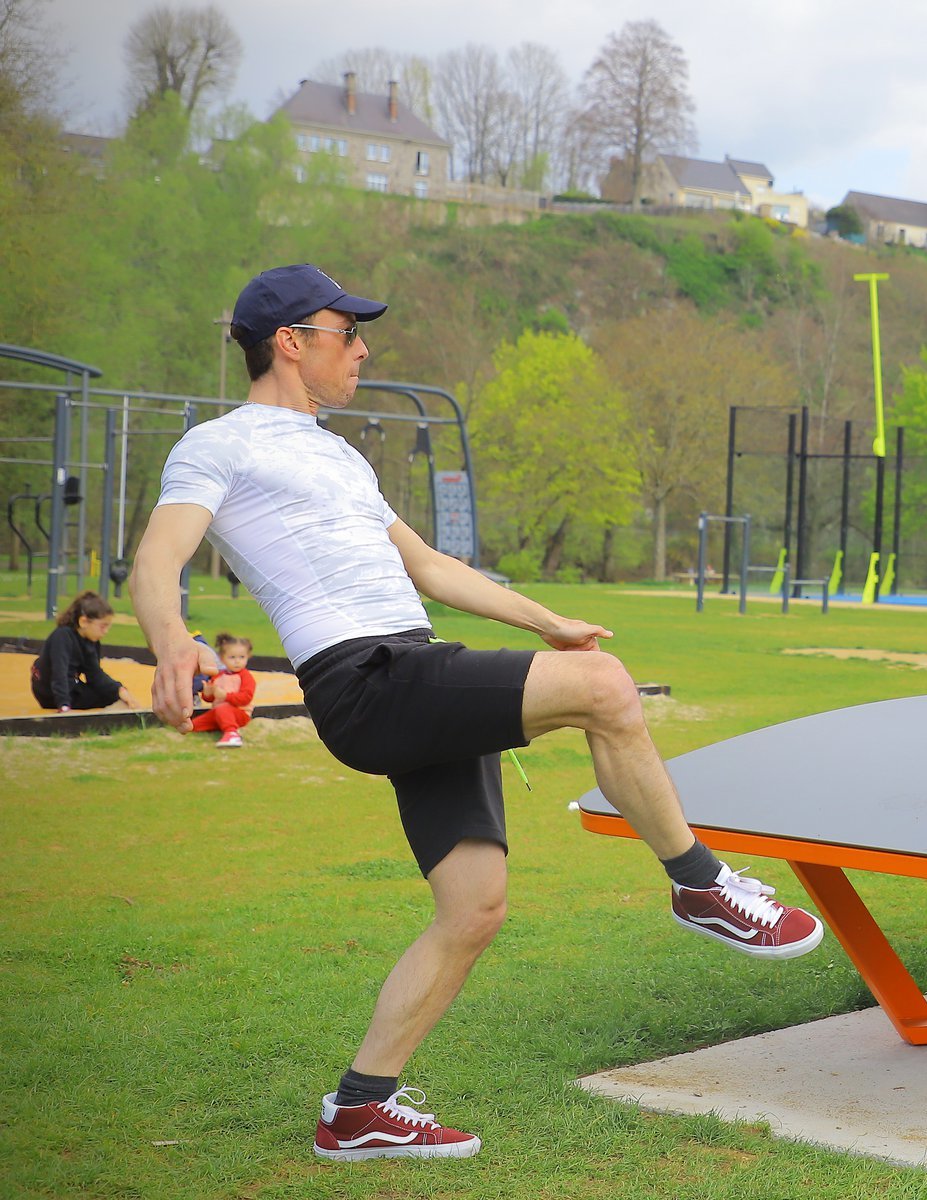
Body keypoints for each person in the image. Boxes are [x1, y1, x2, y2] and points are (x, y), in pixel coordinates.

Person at [130, 264, 822, 1163]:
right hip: (366, 678)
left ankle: (359, 1111)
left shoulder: (341, 457)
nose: (364, 350)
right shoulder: (218, 445)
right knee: (607, 689)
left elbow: (428, 567)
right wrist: (173, 640)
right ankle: (702, 887)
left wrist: (547, 622)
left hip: (415, 671)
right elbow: (158, 557)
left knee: (474, 908)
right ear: (291, 342)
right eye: (349, 332)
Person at [30, 591, 137, 712]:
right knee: (67, 684)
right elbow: (59, 672)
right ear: (84, 622)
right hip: (49, 690)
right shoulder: (62, 636)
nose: (106, 632)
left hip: (70, 686)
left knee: (111, 695)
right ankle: (64, 704)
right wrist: (63, 705)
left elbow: (95, 675)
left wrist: (119, 690)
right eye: (103, 626)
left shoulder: (91, 641)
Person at [188, 632, 255, 747]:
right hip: (218, 712)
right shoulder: (218, 676)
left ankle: (232, 734)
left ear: (248, 657)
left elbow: (246, 698)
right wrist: (207, 693)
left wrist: (225, 696)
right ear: (222, 659)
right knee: (193, 726)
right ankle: (223, 726)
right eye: (232, 657)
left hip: (239, 713)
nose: (237, 661)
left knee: (223, 709)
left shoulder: (245, 676)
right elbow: (210, 698)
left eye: (242, 657)